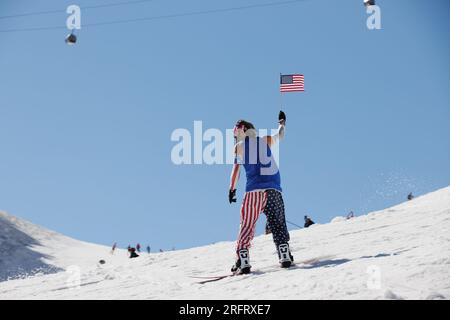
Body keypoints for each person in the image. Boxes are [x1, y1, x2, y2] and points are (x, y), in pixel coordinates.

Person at [228, 111, 293, 274]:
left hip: (253, 191)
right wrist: (282, 122)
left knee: (247, 225)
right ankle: (284, 253)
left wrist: (232, 189)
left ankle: (243, 259)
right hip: (273, 190)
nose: (236, 136)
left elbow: (236, 171)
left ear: (242, 129)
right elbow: (280, 134)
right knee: (277, 223)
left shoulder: (239, 147)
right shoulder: (265, 140)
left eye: (236, 132)